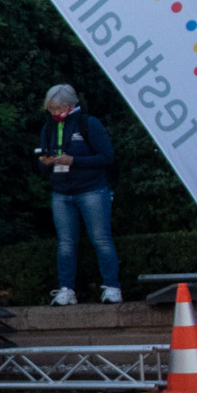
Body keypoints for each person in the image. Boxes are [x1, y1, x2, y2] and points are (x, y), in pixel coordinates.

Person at [38, 84, 122, 304]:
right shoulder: (48, 128)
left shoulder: (89, 124)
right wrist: (46, 162)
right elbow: (43, 164)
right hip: (61, 192)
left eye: (58, 108)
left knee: (101, 239)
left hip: (92, 189)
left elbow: (106, 157)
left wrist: (74, 160)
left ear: (70, 105)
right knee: (65, 242)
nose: (55, 113)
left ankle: (112, 286)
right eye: (51, 109)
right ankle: (66, 289)